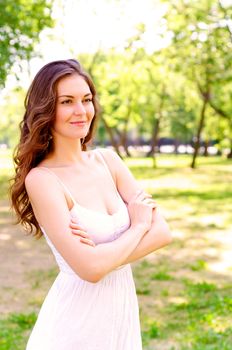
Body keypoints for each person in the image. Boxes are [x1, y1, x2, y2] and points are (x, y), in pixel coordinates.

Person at [10, 59, 172, 350]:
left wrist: (101, 257)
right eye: (67, 101)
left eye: (86, 99)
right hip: (74, 326)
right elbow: (89, 270)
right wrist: (138, 227)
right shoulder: (43, 180)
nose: (81, 111)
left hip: (120, 314)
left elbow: (162, 233)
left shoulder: (109, 161)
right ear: (46, 109)